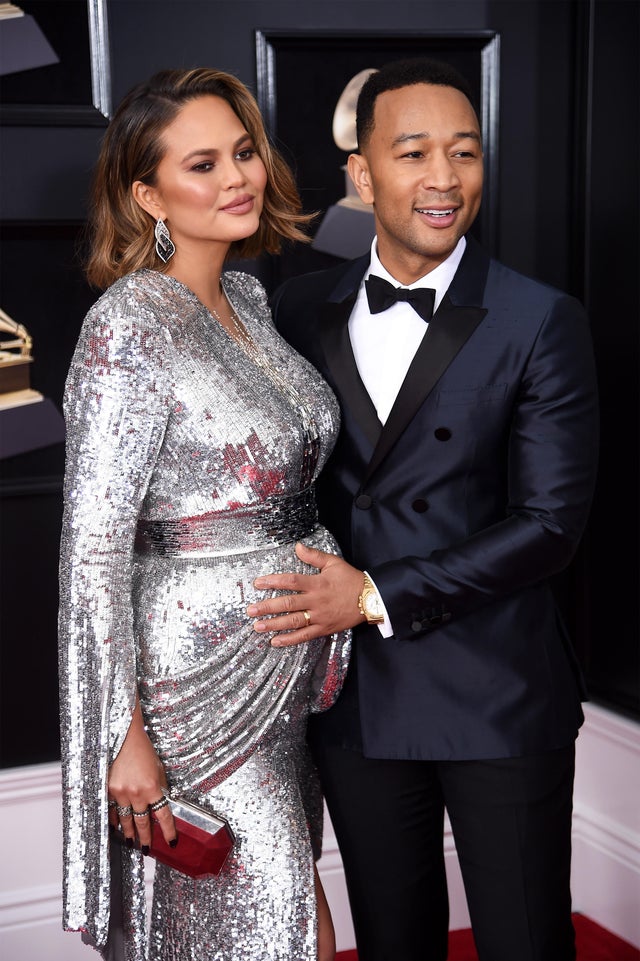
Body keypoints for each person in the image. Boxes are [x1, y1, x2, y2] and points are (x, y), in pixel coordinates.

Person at [246, 58, 599, 961]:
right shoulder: (299, 307)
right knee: (393, 936)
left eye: (465, 153)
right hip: (358, 697)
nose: (444, 178)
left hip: (498, 690)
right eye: (414, 153)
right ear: (363, 174)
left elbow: (552, 524)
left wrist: (372, 595)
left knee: (525, 940)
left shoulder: (540, 318)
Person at [58, 67, 350, 961]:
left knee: (276, 918)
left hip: (284, 668)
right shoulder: (129, 323)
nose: (238, 178)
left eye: (245, 151)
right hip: (191, 693)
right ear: (147, 194)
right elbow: (92, 552)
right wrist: (123, 737)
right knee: (283, 927)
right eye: (202, 164)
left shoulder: (252, 301)